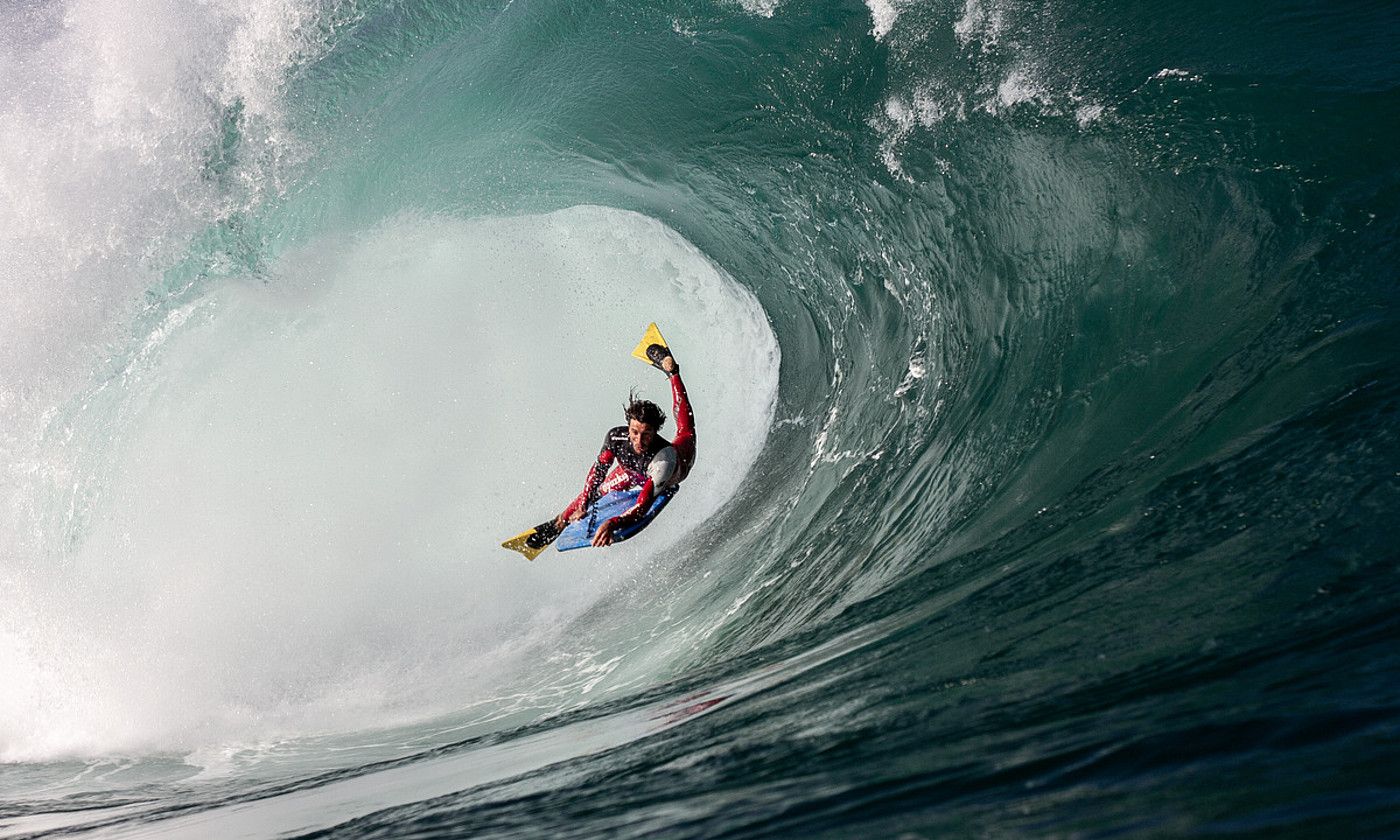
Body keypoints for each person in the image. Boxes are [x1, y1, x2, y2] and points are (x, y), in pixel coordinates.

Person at [554, 349, 695, 547]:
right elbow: (598, 472)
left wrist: (614, 522)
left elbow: (642, 505)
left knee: (685, 429)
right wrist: (584, 505)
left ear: (655, 432)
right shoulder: (616, 437)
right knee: (596, 491)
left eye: (646, 434)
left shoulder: (664, 459)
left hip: (675, 466)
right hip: (633, 471)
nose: (638, 440)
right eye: (634, 432)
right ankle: (560, 521)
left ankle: (673, 373)